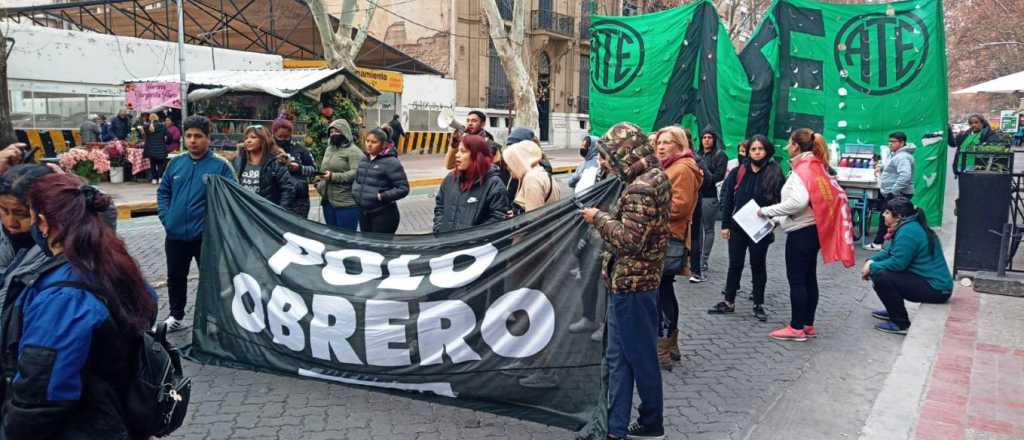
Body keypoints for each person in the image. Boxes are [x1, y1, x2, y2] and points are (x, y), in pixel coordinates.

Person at [0, 173, 157, 439]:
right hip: (116, 411)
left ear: (44, 224)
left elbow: (42, 393)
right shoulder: (111, 260)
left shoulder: (64, 296)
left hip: (83, 424)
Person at [579, 123, 670, 440]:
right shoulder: (651, 177)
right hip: (633, 283)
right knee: (620, 358)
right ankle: (615, 427)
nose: (604, 163)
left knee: (637, 357)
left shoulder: (640, 188)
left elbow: (629, 240)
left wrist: (598, 218)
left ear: (624, 153)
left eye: (607, 157)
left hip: (633, 286)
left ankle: (650, 422)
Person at [760, 129, 853, 342]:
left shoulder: (802, 170)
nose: (786, 147)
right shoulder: (817, 167)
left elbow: (797, 202)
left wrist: (767, 211)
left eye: (789, 143)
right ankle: (808, 324)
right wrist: (777, 220)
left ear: (795, 146)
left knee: (798, 280)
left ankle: (796, 328)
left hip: (801, 232)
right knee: (809, 278)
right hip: (813, 231)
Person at [157, 116, 236, 331]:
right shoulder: (175, 163)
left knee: (211, 279)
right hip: (174, 236)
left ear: (208, 138)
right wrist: (167, 218)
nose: (193, 141)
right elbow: (163, 192)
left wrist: (214, 227)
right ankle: (176, 316)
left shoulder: (221, 167)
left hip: (206, 237)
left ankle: (214, 318)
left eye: (198, 136)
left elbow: (232, 200)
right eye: (189, 136)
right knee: (175, 277)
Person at [709, 135, 784, 322]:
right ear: (748, 151)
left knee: (758, 265)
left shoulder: (775, 172)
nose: (757, 152)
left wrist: (774, 221)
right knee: (735, 264)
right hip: (738, 227)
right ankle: (729, 301)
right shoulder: (739, 172)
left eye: (760, 149)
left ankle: (758, 303)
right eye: (753, 149)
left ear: (767, 151)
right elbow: (728, 200)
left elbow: (781, 201)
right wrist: (725, 225)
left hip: (761, 228)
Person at [863, 197, 952, 334]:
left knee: (882, 276)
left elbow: (898, 264)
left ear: (898, 216)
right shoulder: (907, 226)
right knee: (880, 271)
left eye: (887, 212)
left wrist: (872, 267)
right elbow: (889, 252)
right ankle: (893, 309)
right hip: (928, 282)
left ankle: (900, 323)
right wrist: (870, 261)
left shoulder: (908, 232)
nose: (883, 215)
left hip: (937, 289)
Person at [653, 125, 702, 371]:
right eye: (659, 142)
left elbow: (679, 207)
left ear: (680, 145)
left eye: (667, 142)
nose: (661, 146)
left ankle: (663, 348)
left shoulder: (682, 168)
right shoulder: (673, 166)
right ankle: (670, 345)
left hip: (668, 238)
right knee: (664, 290)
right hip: (667, 237)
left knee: (660, 292)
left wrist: (648, 207)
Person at [433, 135, 510, 233]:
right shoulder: (450, 179)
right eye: (458, 151)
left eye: (463, 151)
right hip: (446, 244)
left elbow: (498, 218)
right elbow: (440, 207)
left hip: (475, 246)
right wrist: (439, 228)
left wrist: (473, 238)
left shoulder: (494, 184)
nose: (457, 155)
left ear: (477, 155)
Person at [353, 128, 409, 233]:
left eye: (374, 142)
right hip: (364, 214)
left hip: (383, 216)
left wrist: (382, 196)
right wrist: (355, 191)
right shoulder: (364, 160)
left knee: (380, 249)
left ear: (383, 145)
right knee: (367, 247)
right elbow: (357, 180)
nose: (369, 144)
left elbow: (403, 188)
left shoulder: (392, 162)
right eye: (367, 141)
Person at [866, 132, 915, 251]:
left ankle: (879, 243)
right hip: (893, 192)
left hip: (898, 194)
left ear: (902, 143)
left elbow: (905, 176)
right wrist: (882, 167)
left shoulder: (902, 156)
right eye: (889, 141)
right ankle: (886, 243)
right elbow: (892, 167)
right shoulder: (896, 154)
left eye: (893, 142)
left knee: (888, 218)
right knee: (889, 218)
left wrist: (894, 191)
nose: (890, 144)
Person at [690, 127, 728, 282]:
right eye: (704, 137)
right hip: (695, 194)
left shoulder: (720, 155)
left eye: (709, 137)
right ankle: (695, 258)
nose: (706, 140)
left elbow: (718, 176)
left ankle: (704, 259)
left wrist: (705, 175)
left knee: (708, 229)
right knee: (696, 229)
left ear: (714, 139)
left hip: (708, 196)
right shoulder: (697, 154)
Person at [231, 125, 296, 209]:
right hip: (243, 211)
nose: (248, 141)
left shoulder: (276, 162)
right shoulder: (238, 161)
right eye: (246, 138)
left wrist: (279, 213)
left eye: (253, 137)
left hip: (266, 213)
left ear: (263, 140)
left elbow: (287, 190)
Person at [318, 119, 364, 231]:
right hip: (328, 202)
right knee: (333, 237)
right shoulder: (329, 149)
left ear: (345, 132)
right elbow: (324, 168)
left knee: (346, 238)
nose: (333, 134)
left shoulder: (354, 151)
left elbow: (356, 173)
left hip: (346, 204)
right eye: (331, 132)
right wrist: (318, 182)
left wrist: (333, 176)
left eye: (337, 131)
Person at [272, 118, 317, 218]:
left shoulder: (300, 150)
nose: (283, 140)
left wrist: (299, 168)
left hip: (299, 200)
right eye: (280, 137)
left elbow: (314, 170)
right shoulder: (268, 151)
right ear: (274, 134)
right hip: (275, 197)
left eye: (286, 137)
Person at [503, 140, 561, 214]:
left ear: (519, 161)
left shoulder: (532, 179)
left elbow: (533, 217)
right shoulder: (540, 173)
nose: (508, 167)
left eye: (510, 162)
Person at [143, 112, 169, 184]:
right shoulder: (162, 126)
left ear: (150, 118)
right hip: (160, 147)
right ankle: (160, 178)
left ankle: (154, 179)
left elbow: (144, 135)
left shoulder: (146, 127)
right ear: (157, 118)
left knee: (152, 164)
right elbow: (167, 135)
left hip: (150, 148)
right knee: (160, 164)